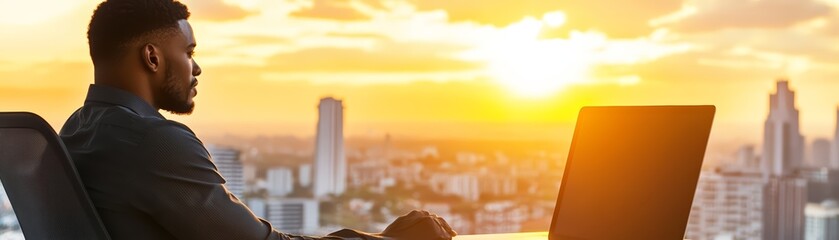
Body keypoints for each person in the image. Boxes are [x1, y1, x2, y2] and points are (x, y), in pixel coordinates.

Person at [58, 0, 456, 239]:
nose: (197, 68)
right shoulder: (152, 142)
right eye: (190, 52)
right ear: (152, 57)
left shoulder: (77, 130)